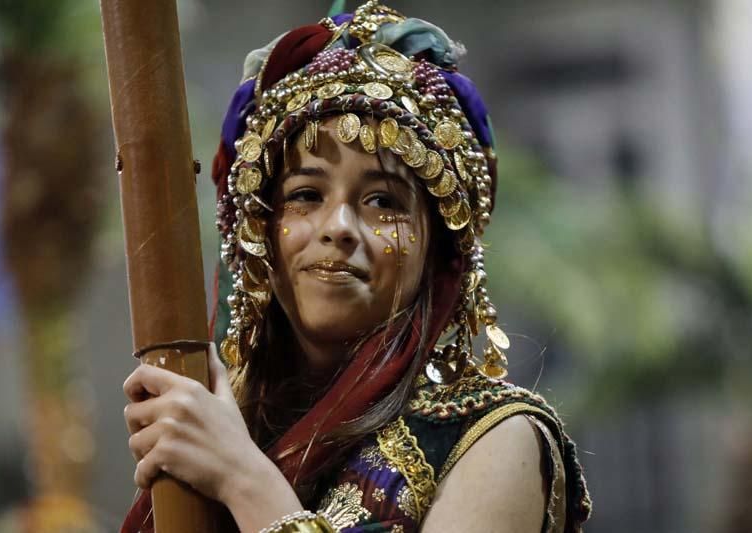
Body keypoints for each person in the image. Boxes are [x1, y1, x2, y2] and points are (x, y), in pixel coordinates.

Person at [121, 2, 592, 532]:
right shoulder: (222, 430)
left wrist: (240, 476)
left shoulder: (495, 439)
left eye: (384, 201)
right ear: (258, 237)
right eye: (305, 194)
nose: (339, 225)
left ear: (437, 249)